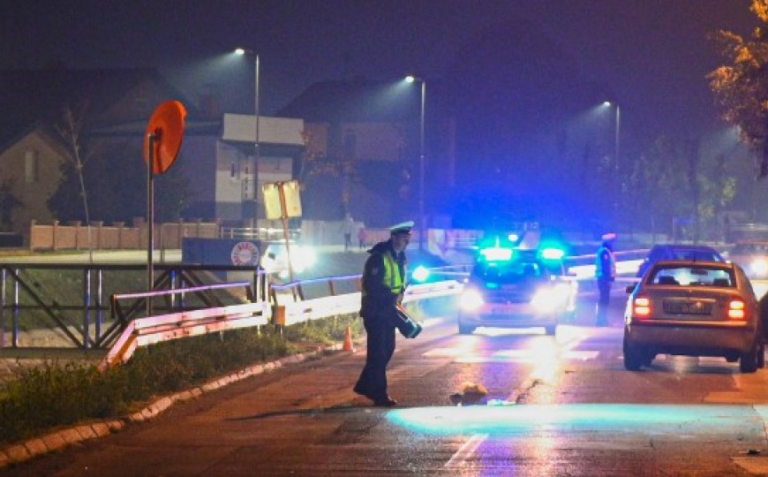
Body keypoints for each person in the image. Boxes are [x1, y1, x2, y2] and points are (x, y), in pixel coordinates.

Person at [353, 220, 413, 407]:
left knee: (387, 349)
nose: (406, 241)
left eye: (408, 238)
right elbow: (372, 285)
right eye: (404, 238)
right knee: (378, 354)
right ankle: (380, 394)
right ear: (394, 237)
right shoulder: (379, 257)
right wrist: (390, 297)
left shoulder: (399, 256)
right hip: (376, 311)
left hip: (389, 310)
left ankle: (365, 386)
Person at [595, 233, 617, 326]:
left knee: (604, 299)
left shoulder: (606, 251)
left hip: (603, 278)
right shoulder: (605, 252)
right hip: (603, 278)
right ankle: (601, 320)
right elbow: (606, 267)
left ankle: (602, 319)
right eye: (612, 242)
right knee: (604, 300)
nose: (613, 244)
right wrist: (608, 279)